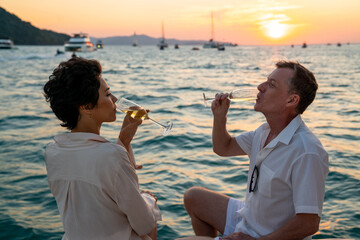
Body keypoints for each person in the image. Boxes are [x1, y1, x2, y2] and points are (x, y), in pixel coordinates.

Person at [182, 61, 329, 240]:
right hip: (249, 219)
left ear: (291, 100)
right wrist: (220, 117)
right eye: (266, 81)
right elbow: (223, 147)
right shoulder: (264, 131)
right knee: (193, 197)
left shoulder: (306, 151)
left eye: (271, 84)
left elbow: (308, 223)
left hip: (266, 236)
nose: (260, 87)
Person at [43, 57, 161, 240]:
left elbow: (94, 202)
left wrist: (124, 139)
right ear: (86, 107)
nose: (114, 99)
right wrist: (149, 200)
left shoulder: (52, 152)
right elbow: (144, 223)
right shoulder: (111, 156)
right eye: (107, 94)